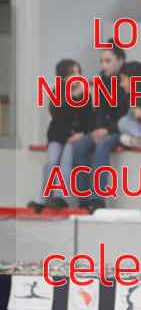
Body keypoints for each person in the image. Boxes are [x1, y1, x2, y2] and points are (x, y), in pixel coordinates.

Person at [28, 59, 94, 212]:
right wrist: (73, 98)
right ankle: (43, 199)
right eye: (72, 73)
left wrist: (81, 97)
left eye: (78, 72)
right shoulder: (57, 93)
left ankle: (60, 197)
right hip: (58, 135)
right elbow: (58, 116)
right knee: (52, 162)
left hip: (76, 137)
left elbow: (88, 119)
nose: (77, 76)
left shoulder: (86, 93)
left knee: (65, 162)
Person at [72, 42, 129, 211]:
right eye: (102, 61)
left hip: (122, 129)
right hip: (103, 129)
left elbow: (128, 117)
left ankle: (98, 199)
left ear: (120, 61)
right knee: (79, 146)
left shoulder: (128, 80)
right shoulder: (101, 80)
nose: (104, 65)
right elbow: (99, 110)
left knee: (103, 145)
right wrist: (98, 129)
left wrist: (107, 130)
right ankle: (83, 200)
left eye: (108, 61)